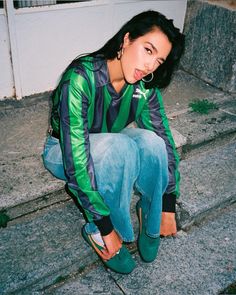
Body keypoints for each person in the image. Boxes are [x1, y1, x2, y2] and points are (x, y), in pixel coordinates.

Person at [42, 10, 185, 274]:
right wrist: (105, 227)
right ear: (127, 39)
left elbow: (163, 137)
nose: (150, 65)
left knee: (152, 142)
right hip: (63, 150)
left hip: (108, 143)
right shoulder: (80, 78)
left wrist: (167, 201)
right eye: (148, 50)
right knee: (120, 148)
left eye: (159, 60)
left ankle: (150, 212)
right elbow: (76, 159)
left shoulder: (143, 85)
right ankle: (99, 229)